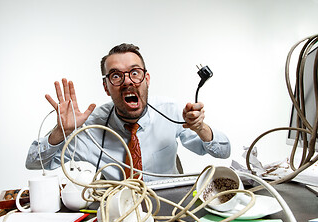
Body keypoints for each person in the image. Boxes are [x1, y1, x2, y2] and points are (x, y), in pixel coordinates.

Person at [26, 43, 231, 181]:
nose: (127, 82)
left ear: (147, 79)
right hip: (117, 214)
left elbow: (223, 151)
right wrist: (61, 132)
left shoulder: (171, 111)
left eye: (135, 73)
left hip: (169, 208)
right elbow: (34, 162)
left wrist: (201, 128)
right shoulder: (90, 127)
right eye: (116, 76)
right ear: (106, 87)